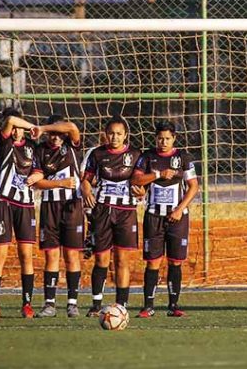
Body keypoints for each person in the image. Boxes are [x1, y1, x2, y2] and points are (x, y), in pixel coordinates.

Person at [130, 120, 200, 318]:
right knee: (152, 262)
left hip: (177, 218)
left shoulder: (183, 158)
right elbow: (136, 179)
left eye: (167, 138)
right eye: (160, 138)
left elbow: (194, 186)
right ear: (155, 138)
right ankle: (148, 306)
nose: (163, 142)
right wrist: (158, 174)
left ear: (174, 139)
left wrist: (179, 209)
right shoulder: (147, 157)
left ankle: (173, 305)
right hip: (154, 216)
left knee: (175, 261)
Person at [80, 116, 143, 316]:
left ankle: (121, 305)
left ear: (125, 135)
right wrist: (87, 191)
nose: (114, 137)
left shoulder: (136, 155)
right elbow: (86, 180)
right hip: (103, 211)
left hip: (126, 212)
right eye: (111, 133)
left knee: (122, 260)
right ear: (105, 134)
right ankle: (96, 304)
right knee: (101, 259)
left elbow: (141, 182)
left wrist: (142, 190)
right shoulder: (97, 154)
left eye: (118, 134)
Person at [0, 107, 42, 319]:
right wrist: (33, 126)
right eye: (15, 127)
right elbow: (10, 119)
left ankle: (27, 304)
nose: (17, 130)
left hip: (25, 207)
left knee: (26, 255)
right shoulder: (4, 143)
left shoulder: (32, 147)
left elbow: (39, 170)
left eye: (21, 127)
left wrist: (38, 176)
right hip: (3, 204)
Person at [28, 114, 84, 318]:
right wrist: (59, 183)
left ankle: (72, 303)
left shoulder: (72, 145)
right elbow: (36, 182)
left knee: (71, 255)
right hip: (49, 207)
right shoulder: (40, 151)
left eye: (58, 132)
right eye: (51, 133)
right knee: (51, 255)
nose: (55, 137)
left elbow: (73, 127)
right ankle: (49, 304)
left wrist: (44, 127)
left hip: (72, 207)